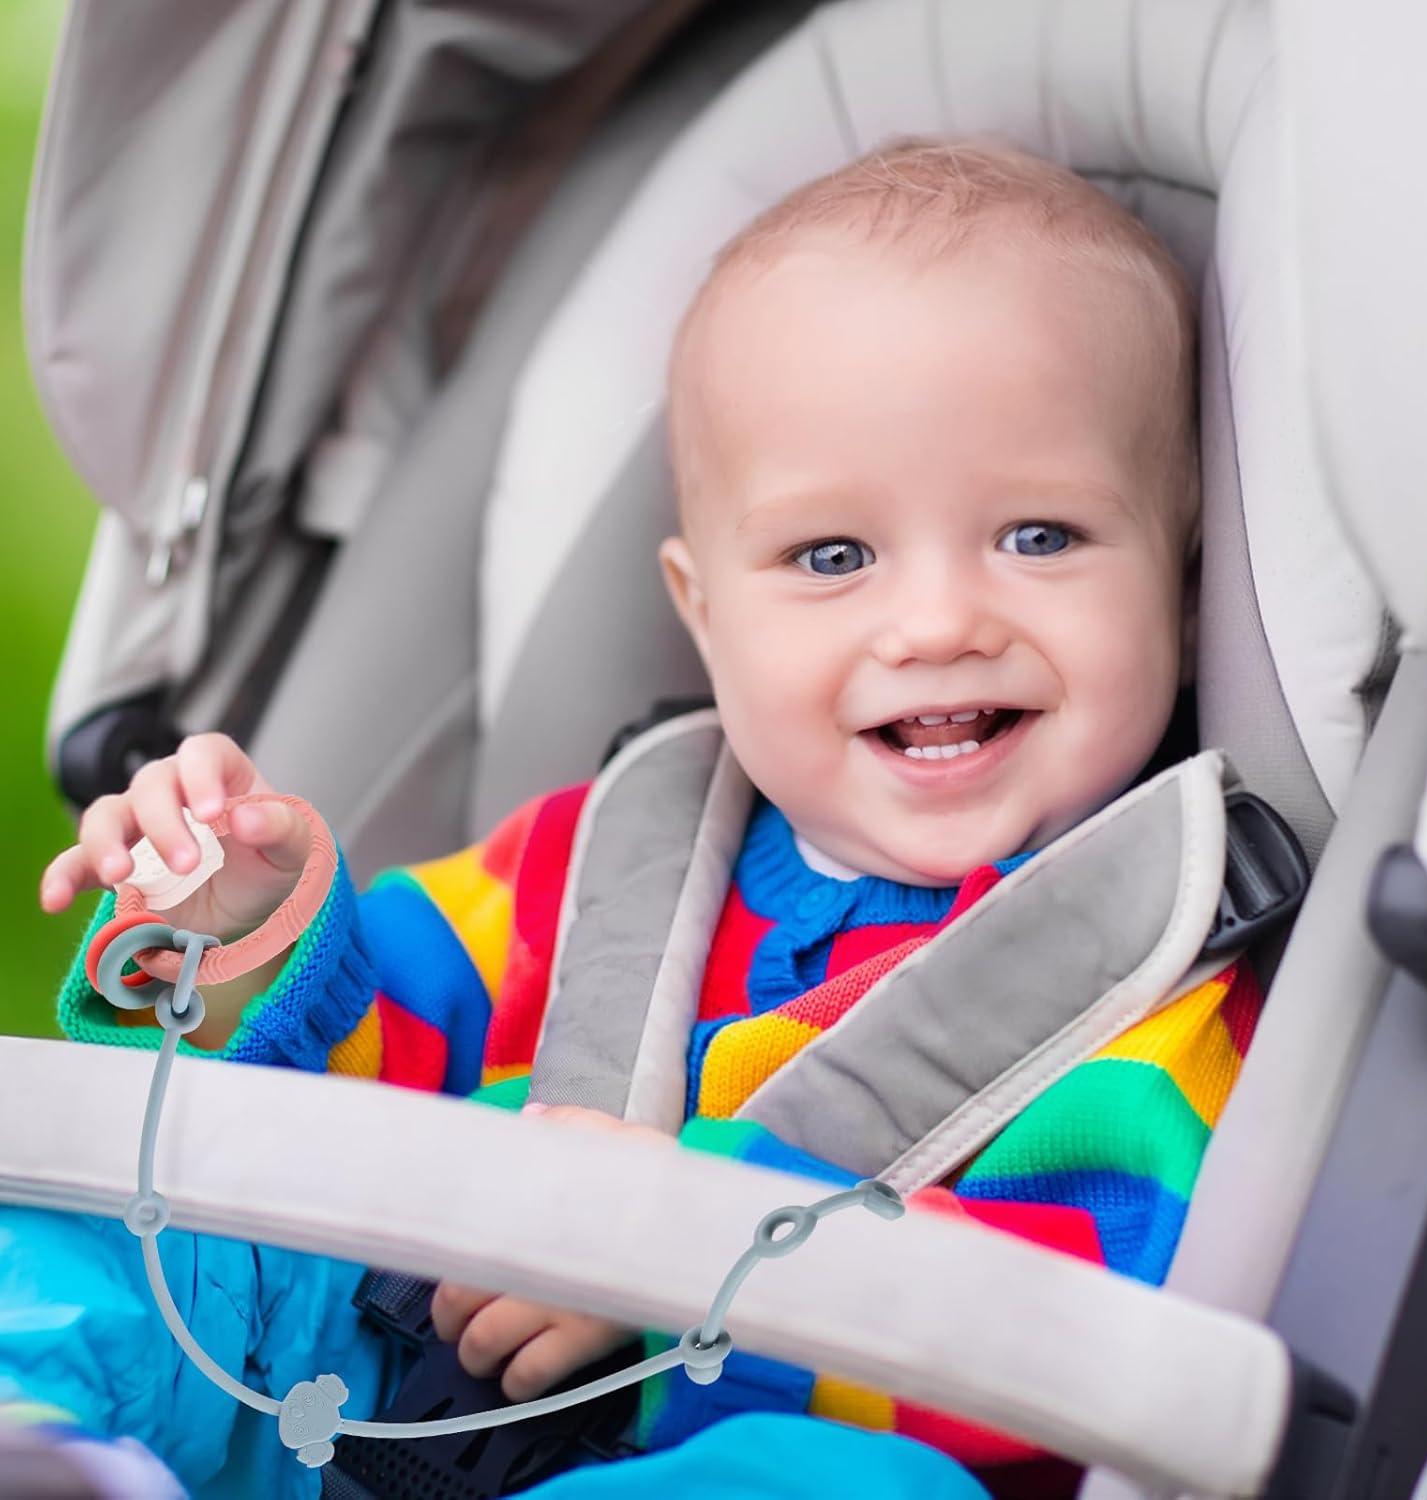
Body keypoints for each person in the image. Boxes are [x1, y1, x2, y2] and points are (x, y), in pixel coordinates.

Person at [3, 137, 1260, 1500]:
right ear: (703, 612)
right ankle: (50, 1443)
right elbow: (351, 1089)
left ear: (1184, 594)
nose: (939, 622)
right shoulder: (600, 858)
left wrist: (676, 1252)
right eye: (833, 557)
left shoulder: (1148, 986)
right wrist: (234, 928)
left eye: (1039, 537)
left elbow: (1065, 1341)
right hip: (354, 1394)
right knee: (126, 1228)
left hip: (729, 1447)